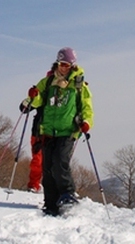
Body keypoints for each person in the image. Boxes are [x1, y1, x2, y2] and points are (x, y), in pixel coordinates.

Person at [25, 47, 94, 216]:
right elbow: (39, 97)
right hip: (48, 130)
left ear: (72, 66)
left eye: (67, 65)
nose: (63, 67)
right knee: (47, 167)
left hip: (68, 130)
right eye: (61, 64)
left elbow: (86, 105)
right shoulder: (48, 81)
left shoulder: (78, 84)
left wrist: (86, 122)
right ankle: (51, 203)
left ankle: (68, 194)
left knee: (60, 160)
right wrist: (30, 99)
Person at [19, 100, 43, 193]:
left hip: (55, 133)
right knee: (37, 161)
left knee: (54, 162)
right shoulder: (42, 94)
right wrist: (27, 102)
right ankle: (33, 185)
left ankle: (52, 188)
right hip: (38, 133)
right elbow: (24, 109)